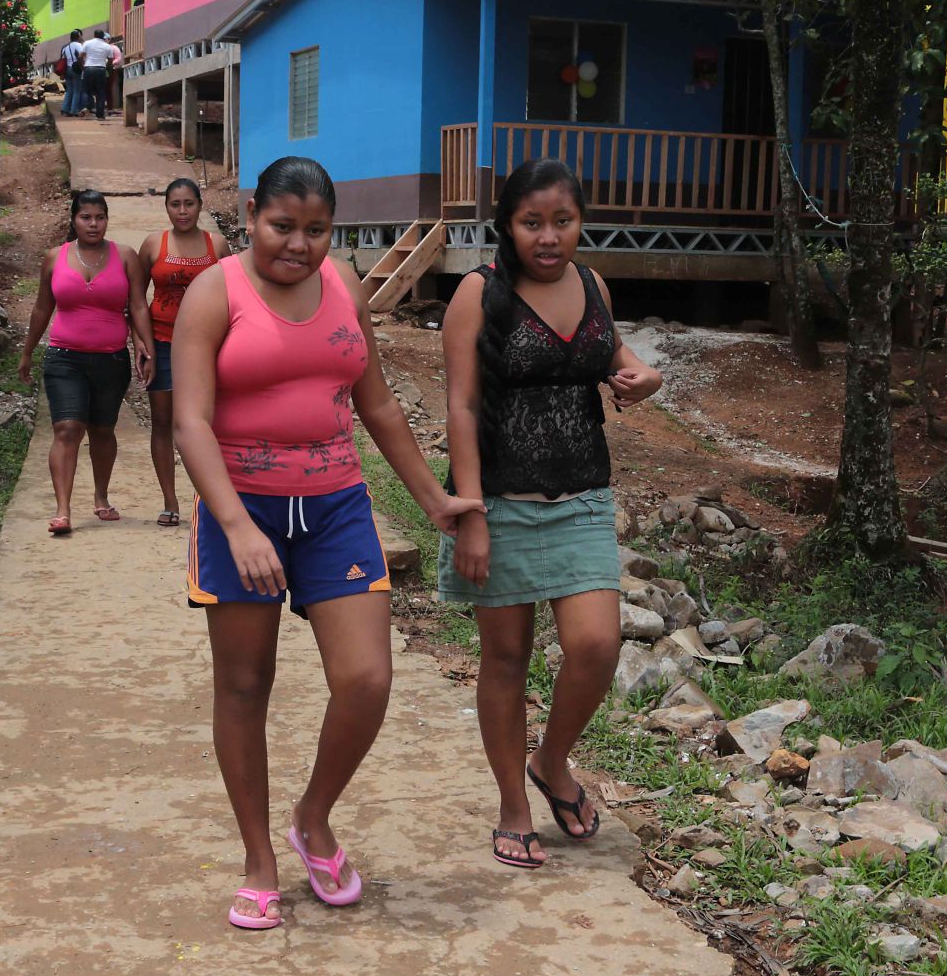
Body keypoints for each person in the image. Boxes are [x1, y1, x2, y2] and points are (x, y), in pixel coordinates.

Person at [173, 156, 483, 930]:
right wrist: (237, 526)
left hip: (336, 506)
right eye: (284, 227)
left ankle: (313, 818)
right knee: (245, 686)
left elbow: (374, 402)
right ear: (251, 214)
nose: (299, 246)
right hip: (240, 507)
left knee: (368, 678)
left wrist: (434, 499)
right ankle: (258, 859)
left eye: (317, 231)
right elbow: (190, 422)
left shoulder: (345, 289)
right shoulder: (216, 293)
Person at [437, 157, 663, 869]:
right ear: (507, 224)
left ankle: (551, 760)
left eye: (562, 221)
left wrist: (645, 375)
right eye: (532, 222)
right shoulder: (480, 294)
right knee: (506, 658)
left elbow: (613, 353)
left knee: (597, 645)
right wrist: (469, 513)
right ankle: (513, 802)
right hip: (499, 502)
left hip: (583, 498)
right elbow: (463, 407)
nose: (548, 236)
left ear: (580, 223)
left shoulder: (592, 282)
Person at [18, 190, 154, 535]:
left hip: (111, 359)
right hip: (64, 358)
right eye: (86, 217)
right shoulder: (54, 258)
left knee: (103, 430)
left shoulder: (125, 257)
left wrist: (146, 350)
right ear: (73, 220)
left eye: (100, 217)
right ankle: (63, 509)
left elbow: (138, 306)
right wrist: (27, 351)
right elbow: (41, 308)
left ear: (107, 219)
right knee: (67, 429)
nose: (93, 224)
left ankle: (101, 496)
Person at [136, 178, 230, 527]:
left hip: (209, 348)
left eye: (189, 204)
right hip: (162, 343)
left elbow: (232, 295)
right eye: (175, 204)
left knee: (211, 423)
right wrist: (141, 343)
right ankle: (170, 501)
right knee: (163, 423)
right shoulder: (152, 245)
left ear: (200, 205)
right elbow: (136, 301)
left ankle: (214, 499)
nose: (182, 211)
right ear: (166, 207)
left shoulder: (216, 246)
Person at [81, 28, 120, 121]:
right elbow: (110, 60)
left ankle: (87, 108)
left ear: (94, 35)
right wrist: (105, 67)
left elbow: (80, 56)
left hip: (88, 68)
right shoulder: (107, 46)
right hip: (101, 69)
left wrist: (82, 66)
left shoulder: (87, 43)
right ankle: (100, 114)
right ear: (103, 37)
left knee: (86, 90)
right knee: (101, 92)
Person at [59, 29, 86, 117]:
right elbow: (81, 56)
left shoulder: (66, 47)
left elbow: (62, 58)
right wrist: (83, 67)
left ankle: (64, 109)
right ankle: (74, 110)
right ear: (78, 37)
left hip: (67, 69)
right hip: (76, 69)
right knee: (77, 91)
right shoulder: (78, 45)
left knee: (69, 90)